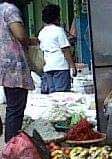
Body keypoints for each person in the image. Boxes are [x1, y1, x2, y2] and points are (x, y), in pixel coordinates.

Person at [0, 0, 34, 143]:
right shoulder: (10, 9)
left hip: (4, 62)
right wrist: (30, 40)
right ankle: (12, 148)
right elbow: (19, 35)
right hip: (14, 65)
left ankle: (10, 146)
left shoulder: (1, 8)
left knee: (12, 107)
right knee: (15, 109)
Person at [38, 4, 76, 94]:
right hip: (60, 66)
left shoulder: (42, 32)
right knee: (62, 95)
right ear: (57, 17)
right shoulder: (59, 31)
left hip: (48, 67)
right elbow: (65, 50)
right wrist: (72, 65)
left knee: (53, 96)